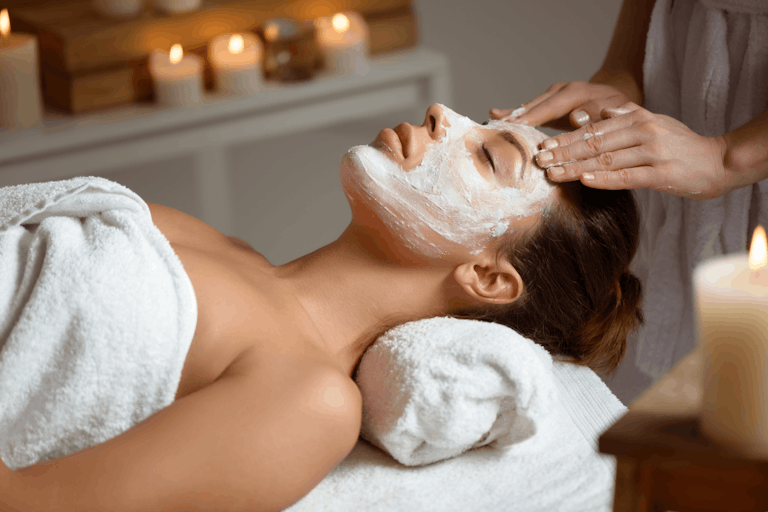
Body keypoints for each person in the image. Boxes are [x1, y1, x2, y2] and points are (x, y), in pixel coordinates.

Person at [0, 104, 642, 512]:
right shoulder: (208, 239)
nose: (443, 113)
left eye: (489, 155)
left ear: (485, 276)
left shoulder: (309, 398)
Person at [490, 0, 768, 399]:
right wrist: (621, 78)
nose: (438, 113)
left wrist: (733, 157)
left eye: (490, 158)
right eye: (489, 153)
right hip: (686, 61)